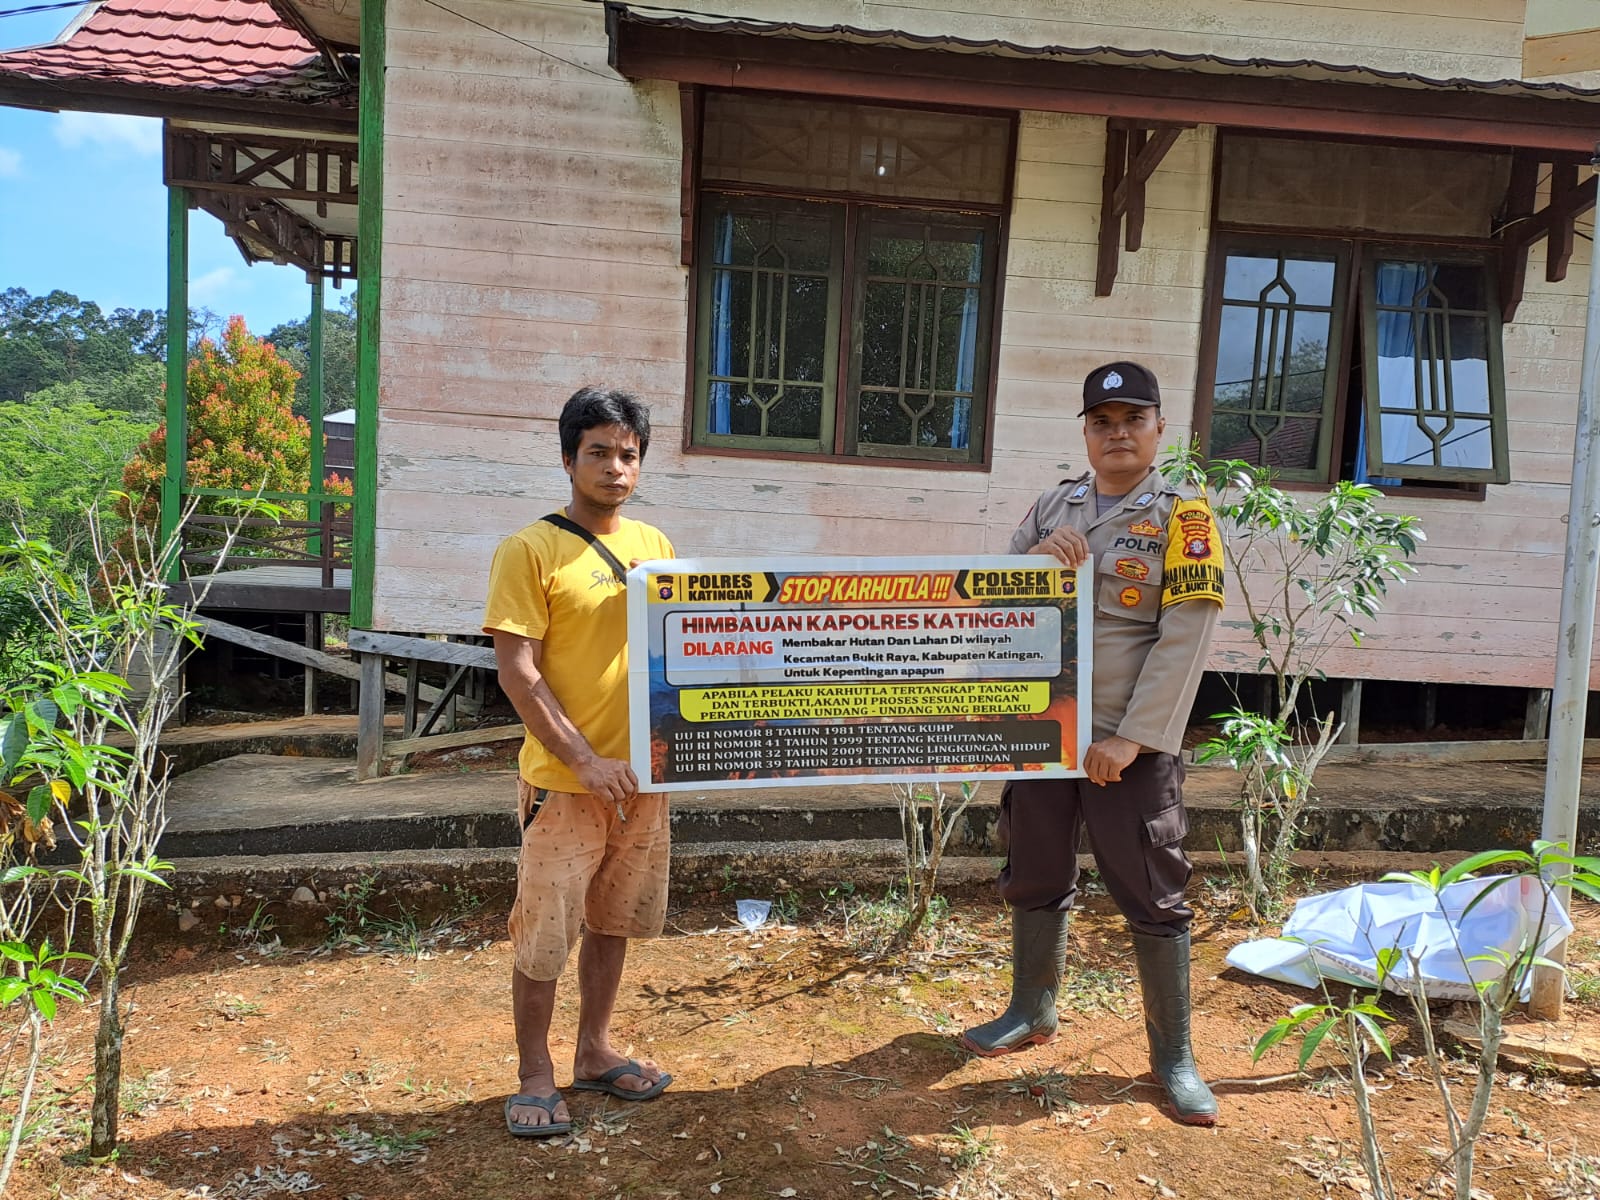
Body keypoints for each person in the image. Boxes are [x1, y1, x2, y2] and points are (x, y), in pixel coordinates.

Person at [961, 361, 1225, 1126]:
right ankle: (1030, 1011)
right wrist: (1035, 562)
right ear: (1085, 431)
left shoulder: (1186, 516)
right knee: (1035, 868)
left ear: (1158, 430)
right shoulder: (1053, 506)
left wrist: (1136, 738)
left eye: (1132, 420)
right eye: (1103, 422)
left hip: (1124, 746)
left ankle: (1172, 1058)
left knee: (1151, 889)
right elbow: (982, 594)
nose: (1117, 434)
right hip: (1045, 732)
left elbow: (1185, 635)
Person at [483, 386, 676, 1138]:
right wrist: (586, 759)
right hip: (566, 784)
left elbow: (680, 654)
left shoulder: (655, 547)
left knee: (613, 921)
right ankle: (535, 1073)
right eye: (598, 452)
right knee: (544, 933)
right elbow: (518, 673)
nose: (615, 468)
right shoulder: (531, 550)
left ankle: (594, 1050)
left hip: (644, 782)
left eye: (628, 454)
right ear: (569, 459)